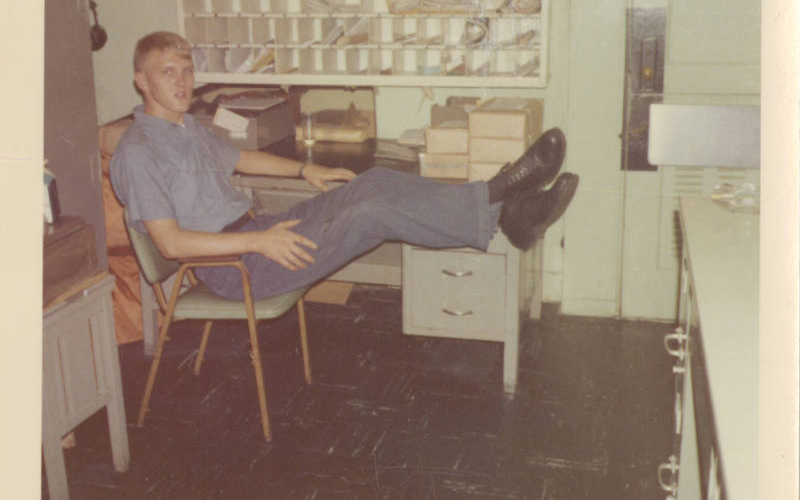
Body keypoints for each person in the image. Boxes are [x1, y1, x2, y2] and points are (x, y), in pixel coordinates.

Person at [110, 31, 579, 302]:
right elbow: (170, 244)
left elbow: (241, 157)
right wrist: (258, 240)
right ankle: (505, 204)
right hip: (235, 266)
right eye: (167, 71)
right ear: (141, 80)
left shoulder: (187, 127)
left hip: (259, 233)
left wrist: (303, 171)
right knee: (369, 213)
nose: (182, 80)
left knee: (371, 181)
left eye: (187, 69)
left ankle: (504, 205)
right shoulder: (138, 152)